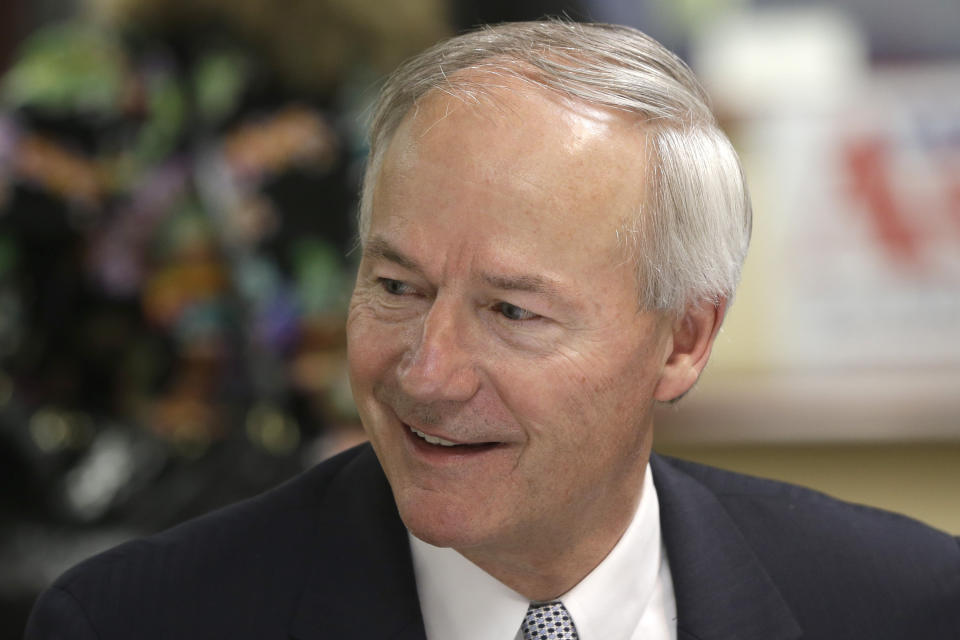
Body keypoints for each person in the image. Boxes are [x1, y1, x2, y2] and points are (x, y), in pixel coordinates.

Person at [25, 20, 959, 640]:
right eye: (396, 285)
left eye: (513, 311)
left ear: (682, 341)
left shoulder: (900, 604)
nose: (425, 375)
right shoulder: (133, 623)